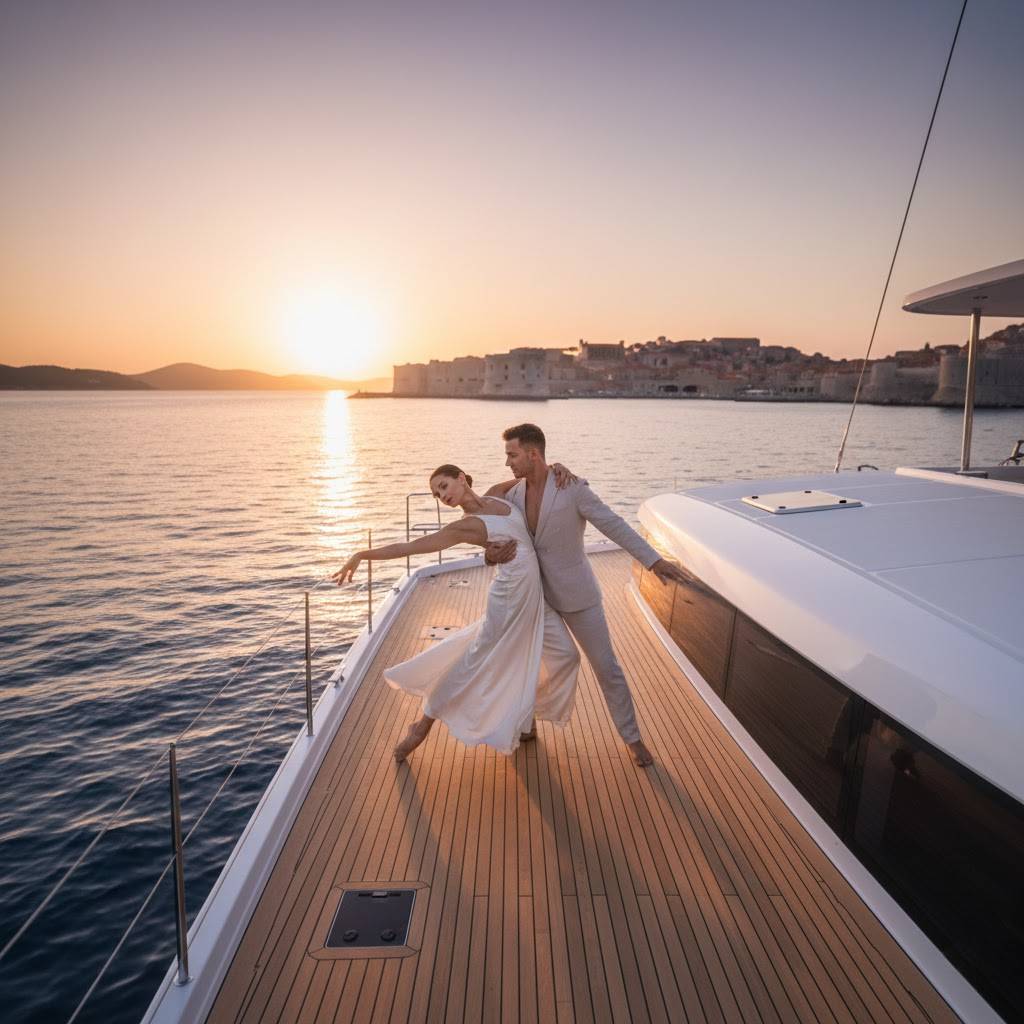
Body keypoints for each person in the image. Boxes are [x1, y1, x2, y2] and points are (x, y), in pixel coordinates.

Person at [331, 463, 580, 761]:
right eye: (436, 494)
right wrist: (361, 554)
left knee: (567, 655)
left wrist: (557, 468)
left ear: (461, 478)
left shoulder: (498, 495)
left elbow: (533, 474)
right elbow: (411, 547)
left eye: (443, 486)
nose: (441, 496)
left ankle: (522, 714)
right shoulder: (464, 526)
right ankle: (421, 726)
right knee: (471, 665)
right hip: (508, 600)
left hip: (535, 597)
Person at [485, 423, 687, 767]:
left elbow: (613, 524)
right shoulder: (512, 496)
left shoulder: (573, 489)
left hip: (579, 596)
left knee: (607, 669)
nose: (507, 463)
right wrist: (489, 555)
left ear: (533, 454)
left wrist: (653, 561)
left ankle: (632, 738)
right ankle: (526, 723)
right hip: (536, 598)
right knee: (528, 662)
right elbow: (490, 532)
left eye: (512, 455)